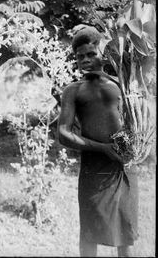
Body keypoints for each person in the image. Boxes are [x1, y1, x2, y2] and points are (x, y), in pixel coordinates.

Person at [57, 26, 138, 257]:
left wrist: (129, 149)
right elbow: (63, 133)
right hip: (94, 170)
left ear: (103, 52)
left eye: (91, 54)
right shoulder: (73, 90)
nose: (85, 60)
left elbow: (134, 121)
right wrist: (103, 148)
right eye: (80, 56)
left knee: (126, 232)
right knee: (89, 233)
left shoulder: (122, 85)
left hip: (122, 167)